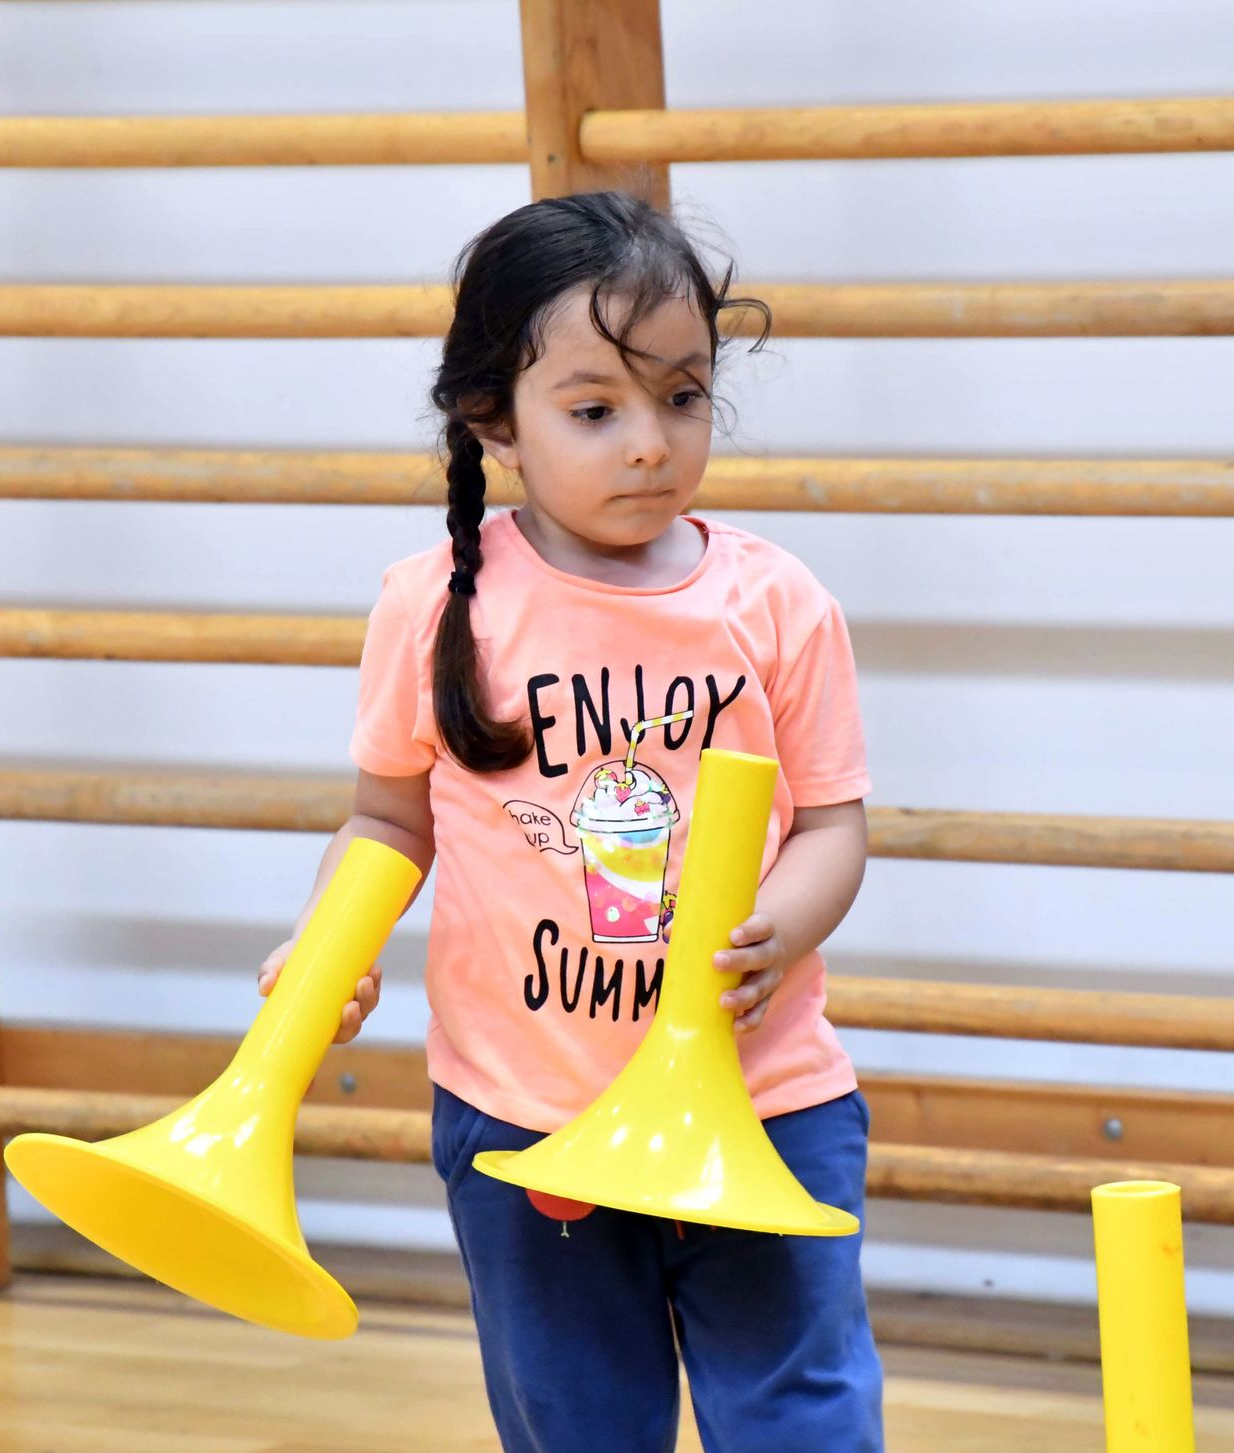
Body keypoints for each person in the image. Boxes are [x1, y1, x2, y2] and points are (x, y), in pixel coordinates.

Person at [258, 190, 884, 1453]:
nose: (650, 444)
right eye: (595, 410)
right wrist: (326, 945)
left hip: (764, 1101)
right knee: (577, 1423)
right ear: (494, 417)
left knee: (799, 1417)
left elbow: (832, 824)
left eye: (683, 396)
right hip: (525, 1107)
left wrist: (780, 925)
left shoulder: (777, 602)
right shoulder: (432, 605)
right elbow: (387, 820)